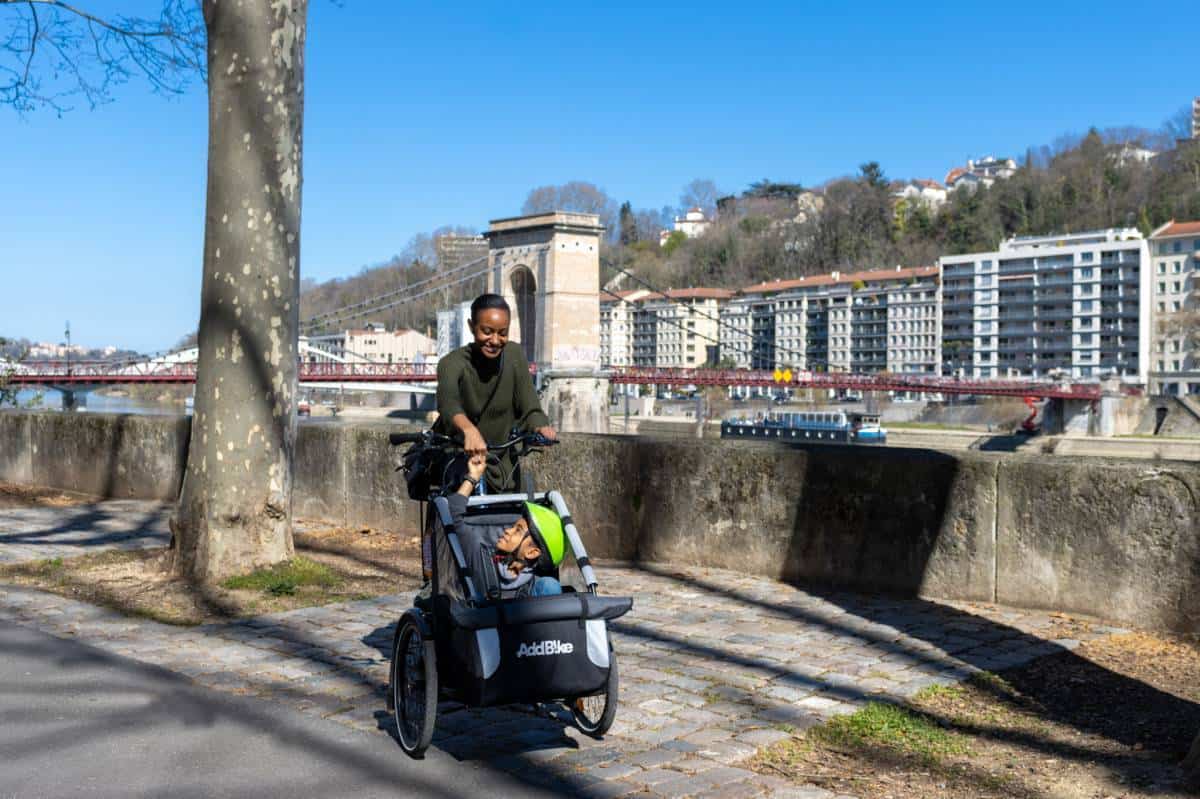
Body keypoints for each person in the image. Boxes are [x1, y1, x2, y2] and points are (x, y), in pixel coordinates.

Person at [433, 293, 556, 491]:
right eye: (487, 331)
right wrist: (469, 430)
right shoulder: (452, 363)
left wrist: (540, 426)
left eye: (503, 333)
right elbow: (448, 404)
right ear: (472, 326)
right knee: (460, 517)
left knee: (519, 516)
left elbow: (529, 405)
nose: (495, 340)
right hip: (461, 461)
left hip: (504, 463)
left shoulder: (514, 355)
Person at [443, 453, 563, 599]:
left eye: (518, 530)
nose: (507, 531)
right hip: (483, 620)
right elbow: (451, 514)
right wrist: (473, 476)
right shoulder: (480, 558)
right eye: (514, 527)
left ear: (532, 552)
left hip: (529, 617)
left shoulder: (538, 589)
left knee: (551, 586)